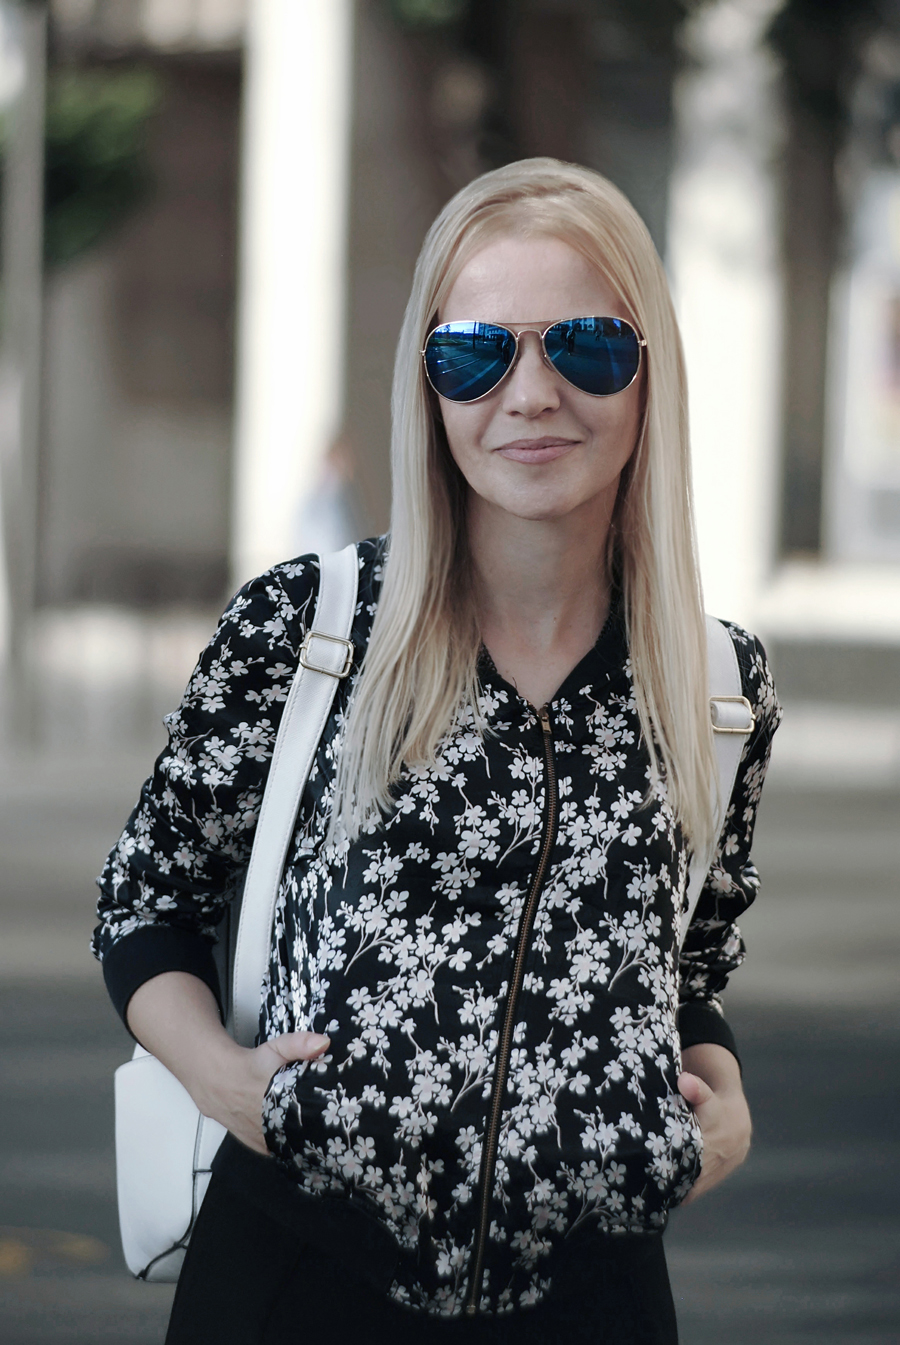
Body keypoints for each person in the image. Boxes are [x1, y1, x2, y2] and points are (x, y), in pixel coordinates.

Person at [93, 157, 781, 1344]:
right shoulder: (307, 633)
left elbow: (685, 963)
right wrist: (221, 1076)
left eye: (585, 346)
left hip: (595, 1299)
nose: (531, 395)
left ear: (648, 375)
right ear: (428, 382)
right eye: (478, 350)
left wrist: (725, 1109)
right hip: (293, 1284)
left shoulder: (717, 682)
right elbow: (145, 899)